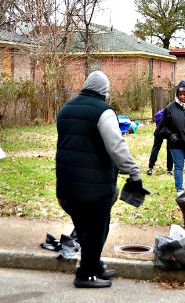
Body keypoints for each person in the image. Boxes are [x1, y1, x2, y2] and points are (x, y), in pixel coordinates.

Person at [56, 70, 144, 288]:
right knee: (96, 230)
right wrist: (134, 172)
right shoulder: (103, 112)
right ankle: (85, 275)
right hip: (94, 188)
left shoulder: (66, 109)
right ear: (104, 91)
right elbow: (116, 146)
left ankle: (94, 266)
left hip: (66, 187)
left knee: (87, 230)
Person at [146, 108, 173, 176]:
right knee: (169, 149)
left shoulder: (164, 111)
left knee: (156, 148)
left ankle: (150, 167)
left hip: (160, 129)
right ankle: (169, 170)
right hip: (168, 130)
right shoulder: (176, 111)